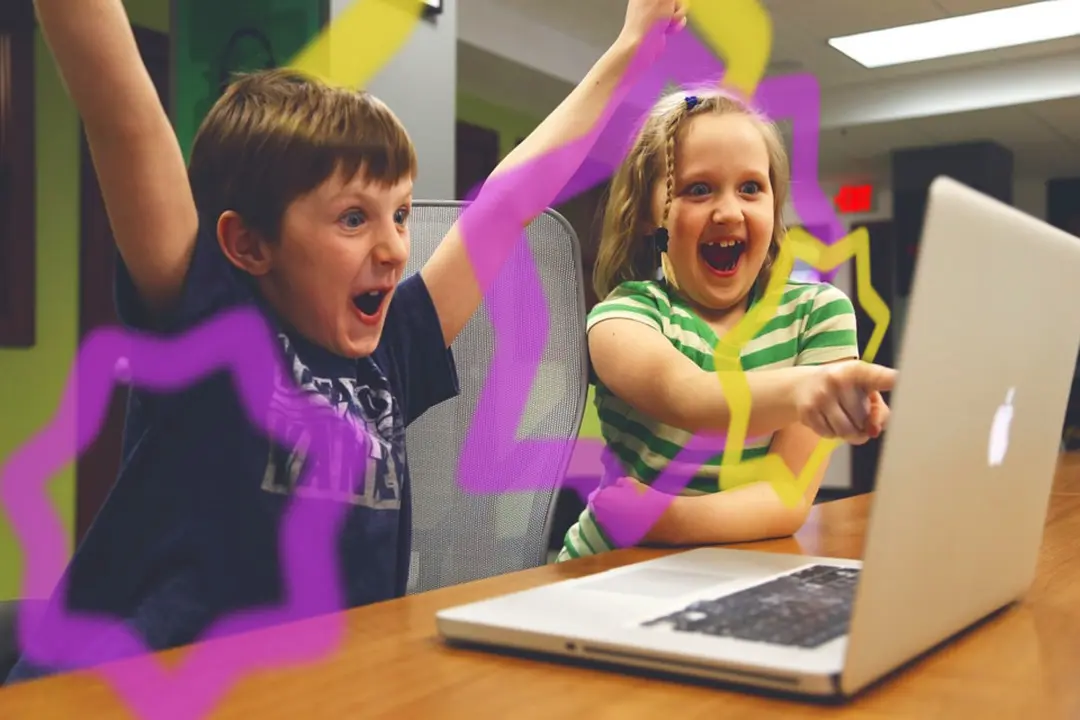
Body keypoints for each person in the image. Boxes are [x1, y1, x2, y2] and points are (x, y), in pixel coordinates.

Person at [8, 0, 692, 683]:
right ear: (248, 244)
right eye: (353, 219)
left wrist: (628, 49)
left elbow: (509, 202)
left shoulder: (394, 350)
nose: (395, 248)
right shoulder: (209, 326)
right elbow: (122, 120)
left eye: (400, 213)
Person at [558, 88, 895, 561]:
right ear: (649, 216)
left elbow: (786, 497)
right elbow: (689, 396)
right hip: (607, 570)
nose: (729, 212)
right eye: (698, 189)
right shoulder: (623, 317)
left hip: (731, 570)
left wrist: (663, 518)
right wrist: (808, 389)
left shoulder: (818, 313)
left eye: (751, 188)